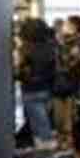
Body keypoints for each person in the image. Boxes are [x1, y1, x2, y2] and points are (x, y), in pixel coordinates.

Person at [15, 18, 57, 148]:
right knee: (43, 120)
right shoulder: (50, 46)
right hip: (48, 89)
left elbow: (20, 72)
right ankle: (43, 144)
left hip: (31, 90)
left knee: (38, 124)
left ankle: (45, 148)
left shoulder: (24, 49)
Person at [53, 15, 80, 151]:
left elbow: (71, 63)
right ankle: (62, 140)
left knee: (69, 115)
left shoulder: (79, 43)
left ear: (74, 27)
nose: (64, 26)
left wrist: (63, 56)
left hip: (72, 83)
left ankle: (68, 142)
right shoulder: (62, 41)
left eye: (67, 24)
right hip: (62, 83)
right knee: (59, 116)